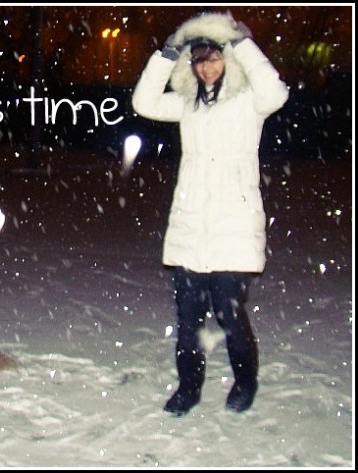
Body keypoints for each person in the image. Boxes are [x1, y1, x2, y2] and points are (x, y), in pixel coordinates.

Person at [132, 12, 289, 416]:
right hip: (190, 227)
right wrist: (167, 54)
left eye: (214, 57)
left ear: (228, 59)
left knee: (229, 315)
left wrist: (239, 42)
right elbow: (144, 102)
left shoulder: (249, 102)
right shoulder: (188, 105)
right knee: (189, 320)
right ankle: (189, 388)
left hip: (233, 227)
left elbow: (275, 93)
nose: (206, 67)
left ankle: (246, 381)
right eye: (199, 59)